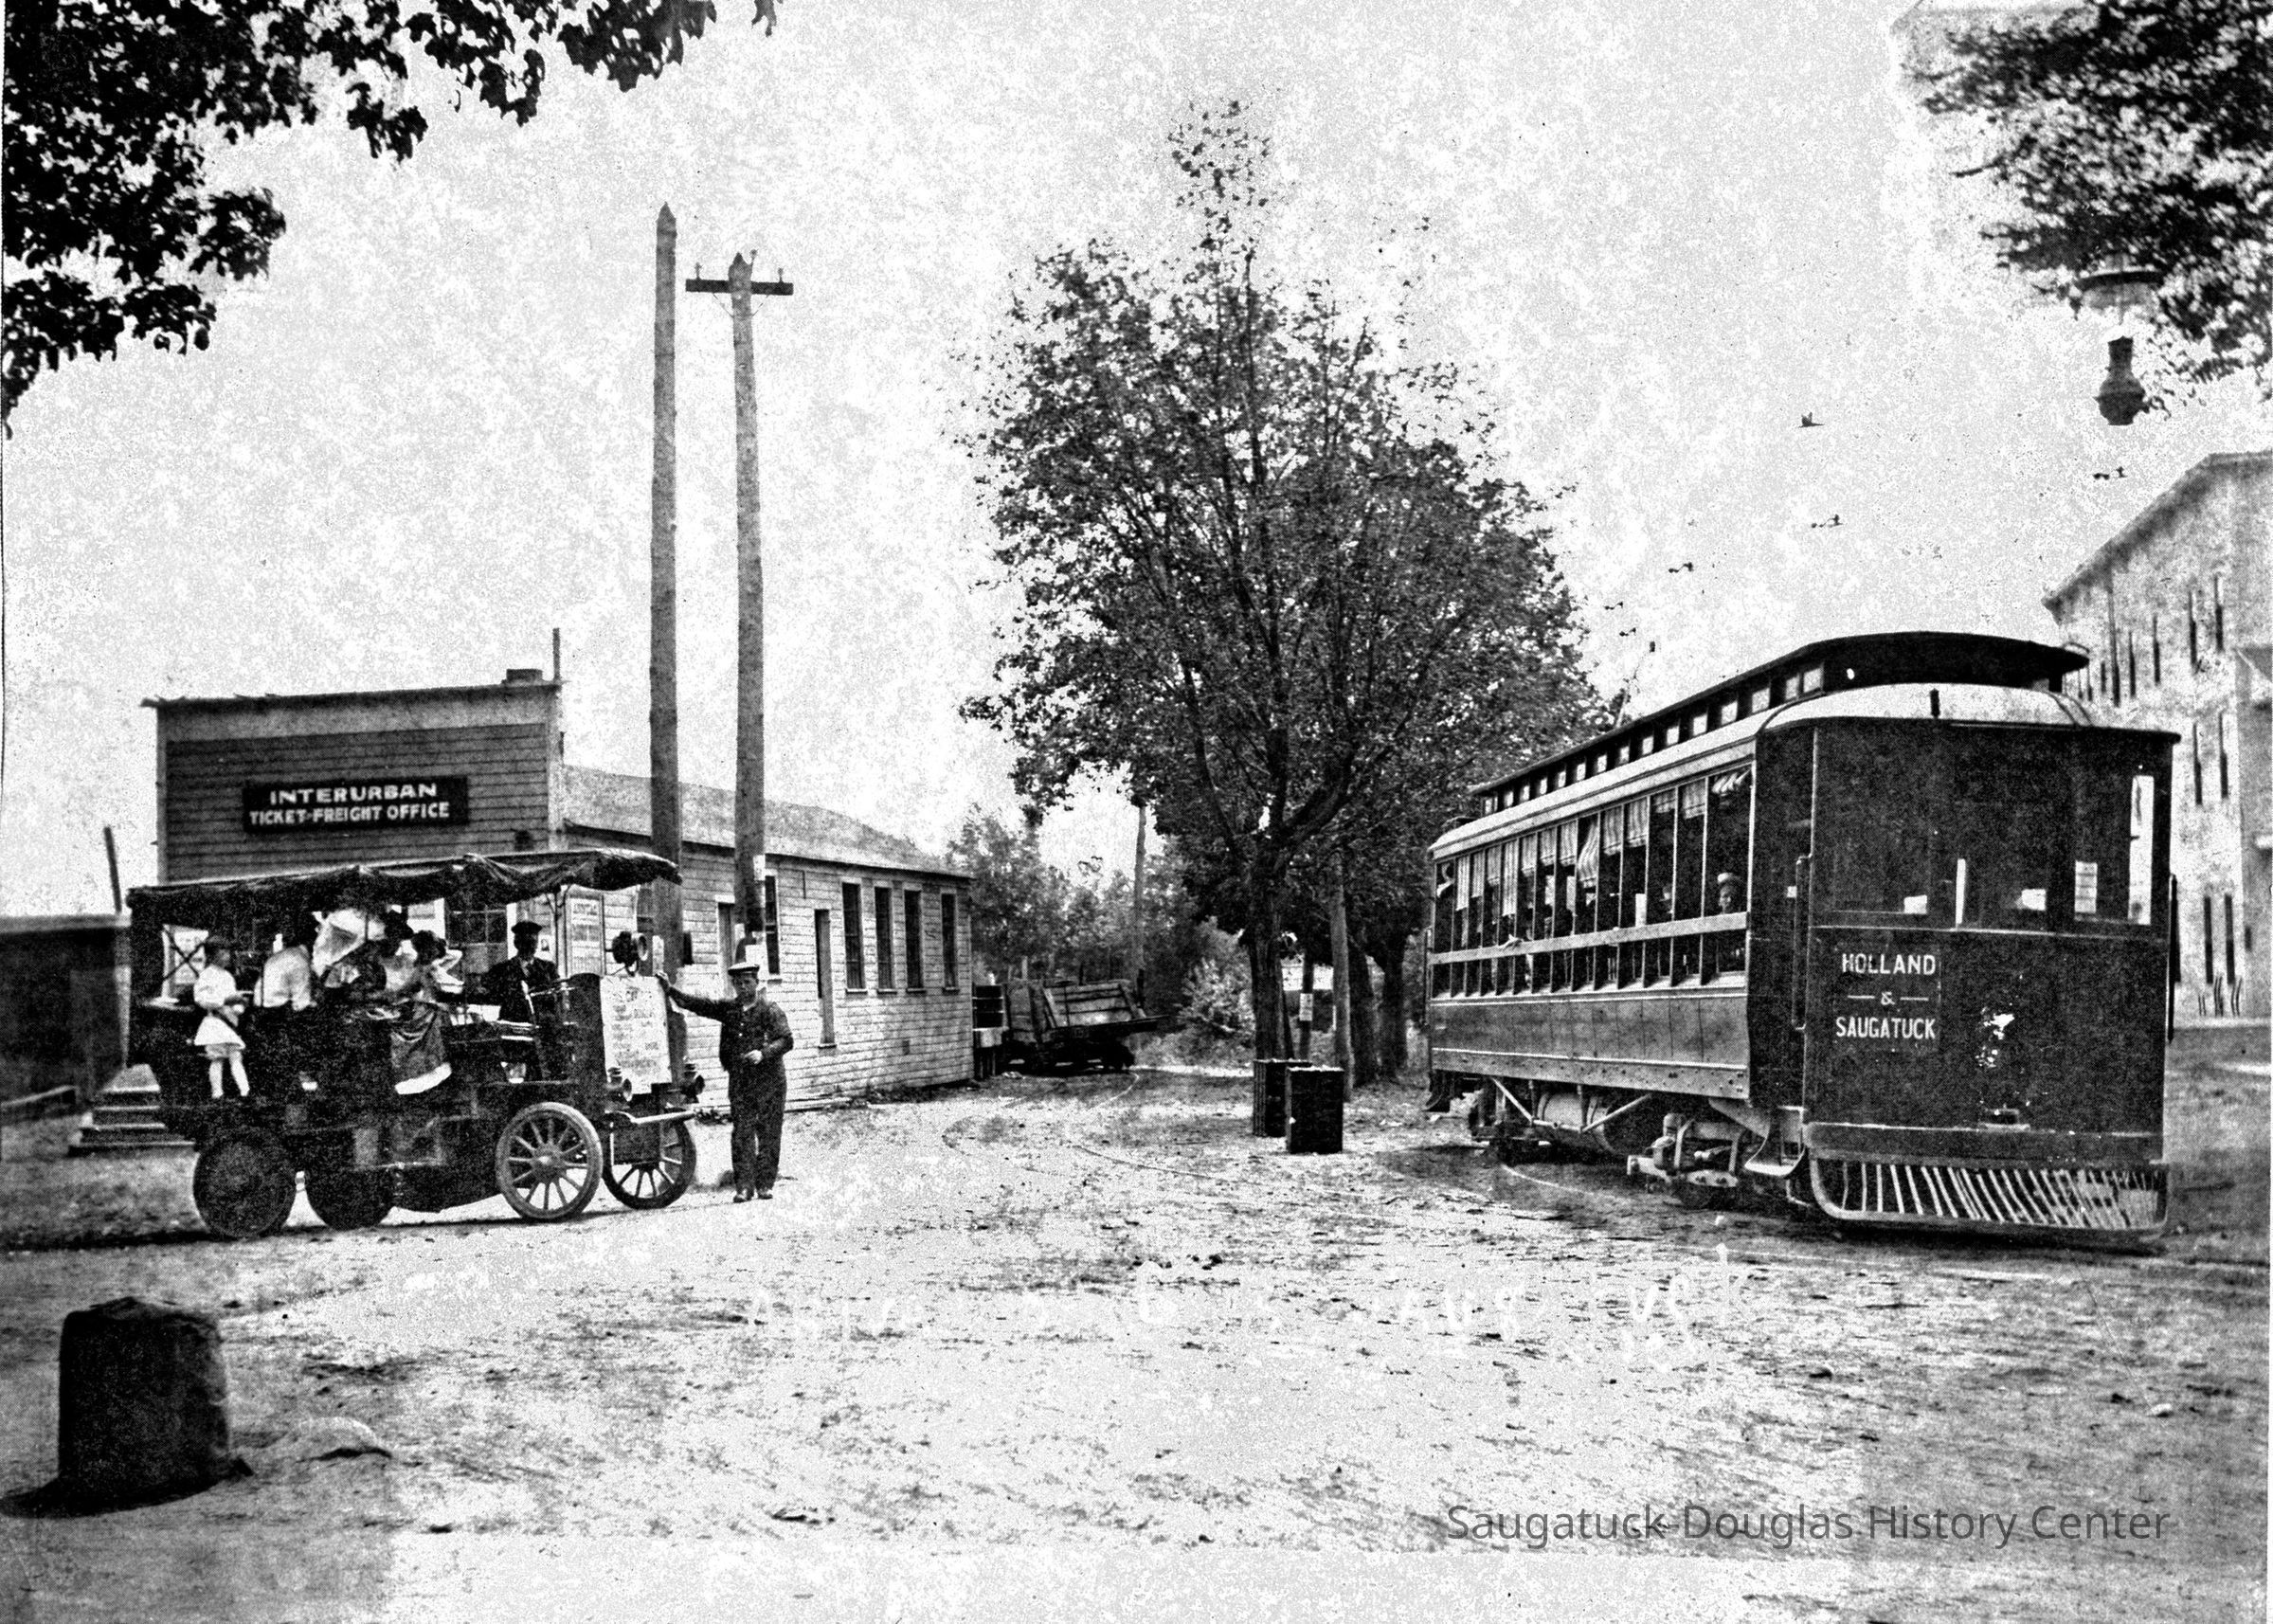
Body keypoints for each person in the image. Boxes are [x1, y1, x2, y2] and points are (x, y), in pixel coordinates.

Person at [663, 946, 794, 1202]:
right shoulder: (730, 1009)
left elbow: (787, 1040)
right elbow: (700, 1005)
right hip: (741, 1081)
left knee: (769, 1133)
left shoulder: (770, 1010)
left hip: (770, 1081)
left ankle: (765, 1185)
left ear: (756, 983)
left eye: (747, 982)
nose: (743, 988)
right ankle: (743, 1187)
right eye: (738, 984)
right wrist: (670, 990)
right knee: (742, 1133)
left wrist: (763, 1053)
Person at [190, 941, 251, 1099]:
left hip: (229, 1022)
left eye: (228, 953)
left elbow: (233, 998)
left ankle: (245, 1091)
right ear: (211, 956)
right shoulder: (206, 975)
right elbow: (201, 999)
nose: (227, 956)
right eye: (222, 953)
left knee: (235, 1056)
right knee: (217, 1058)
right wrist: (225, 1000)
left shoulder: (228, 976)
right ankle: (218, 1092)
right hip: (215, 1022)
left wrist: (239, 1005)